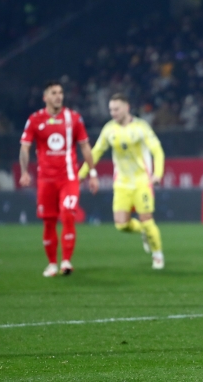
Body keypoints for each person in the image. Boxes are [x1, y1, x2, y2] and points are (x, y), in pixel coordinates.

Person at [19, 81, 99, 277]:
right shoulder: (35, 120)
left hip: (69, 179)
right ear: (45, 97)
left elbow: (85, 147)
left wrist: (93, 173)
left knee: (68, 214)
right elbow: (25, 147)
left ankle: (66, 261)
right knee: (48, 222)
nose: (58, 96)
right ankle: (52, 264)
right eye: (54, 93)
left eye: (61, 92)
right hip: (46, 180)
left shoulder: (74, 118)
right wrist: (24, 171)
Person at [78, 93, 166, 269]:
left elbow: (157, 150)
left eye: (116, 109)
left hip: (142, 181)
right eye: (111, 109)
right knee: (121, 225)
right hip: (122, 183)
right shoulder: (109, 129)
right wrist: (81, 175)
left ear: (127, 107)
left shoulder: (141, 127)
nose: (113, 113)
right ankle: (143, 231)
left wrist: (158, 173)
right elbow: (95, 152)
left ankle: (157, 255)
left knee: (147, 219)